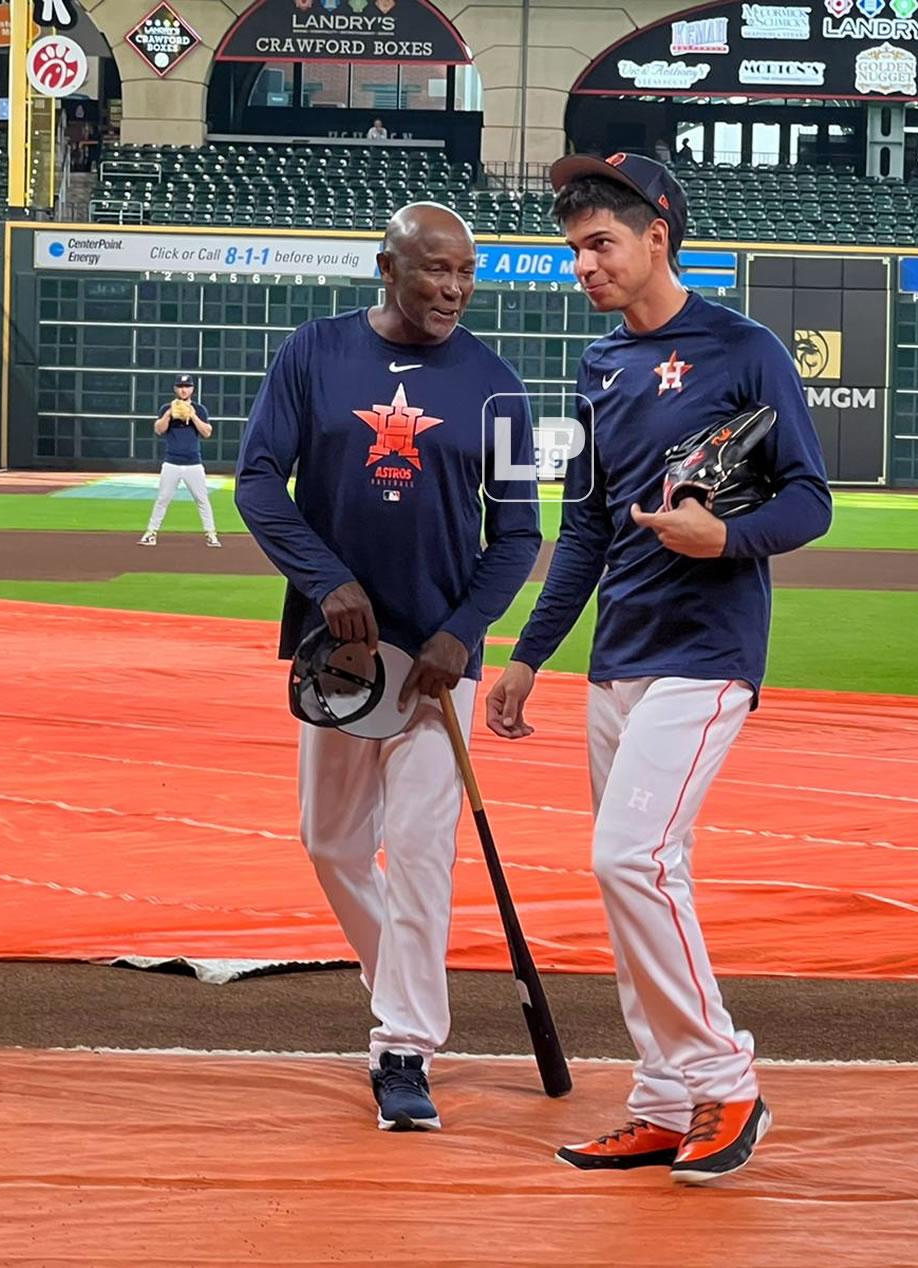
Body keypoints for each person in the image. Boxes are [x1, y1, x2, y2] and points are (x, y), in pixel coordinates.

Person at [486, 153, 832, 1183]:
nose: (583, 266)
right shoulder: (597, 366)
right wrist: (531, 653)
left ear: (656, 239)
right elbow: (583, 527)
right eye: (573, 251)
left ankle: (727, 1083)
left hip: (708, 649)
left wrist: (722, 541)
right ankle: (664, 1097)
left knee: (627, 858)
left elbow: (809, 499)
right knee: (642, 876)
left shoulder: (745, 346)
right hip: (618, 654)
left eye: (600, 245)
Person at [234, 203, 541, 1132]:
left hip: (436, 670)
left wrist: (464, 633)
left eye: (467, 274)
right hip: (343, 660)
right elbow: (256, 480)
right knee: (329, 843)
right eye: (435, 270)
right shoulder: (313, 355)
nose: (452, 288)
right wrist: (325, 581)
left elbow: (519, 530)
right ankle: (399, 978)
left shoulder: (497, 385)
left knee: (415, 852)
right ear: (388, 267)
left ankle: (403, 1048)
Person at [138, 374, 221, 547]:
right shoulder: (166, 408)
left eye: (187, 386)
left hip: (193, 463)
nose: (184, 389)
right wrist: (169, 414)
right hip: (171, 462)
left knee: (202, 500)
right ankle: (150, 533)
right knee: (163, 499)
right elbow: (159, 429)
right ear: (175, 389)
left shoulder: (200, 409)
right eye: (180, 386)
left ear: (192, 389)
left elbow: (207, 432)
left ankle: (211, 535)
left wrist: (193, 415)